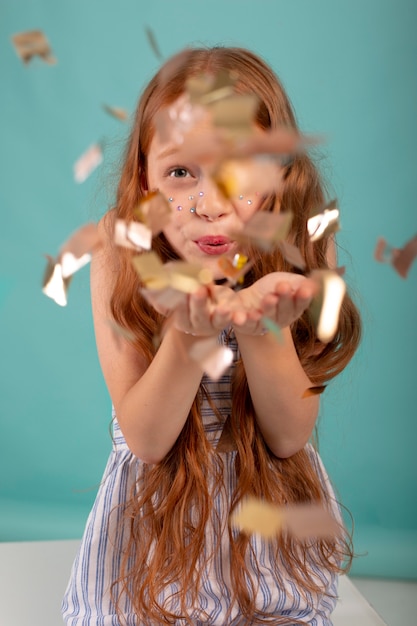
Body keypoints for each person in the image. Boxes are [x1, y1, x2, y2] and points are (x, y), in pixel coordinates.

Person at [62, 47, 361, 626]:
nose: (210, 204)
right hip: (154, 541)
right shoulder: (119, 250)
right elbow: (146, 440)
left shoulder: (304, 240)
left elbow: (289, 435)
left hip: (266, 537)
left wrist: (261, 330)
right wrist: (187, 337)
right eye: (181, 172)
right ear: (143, 179)